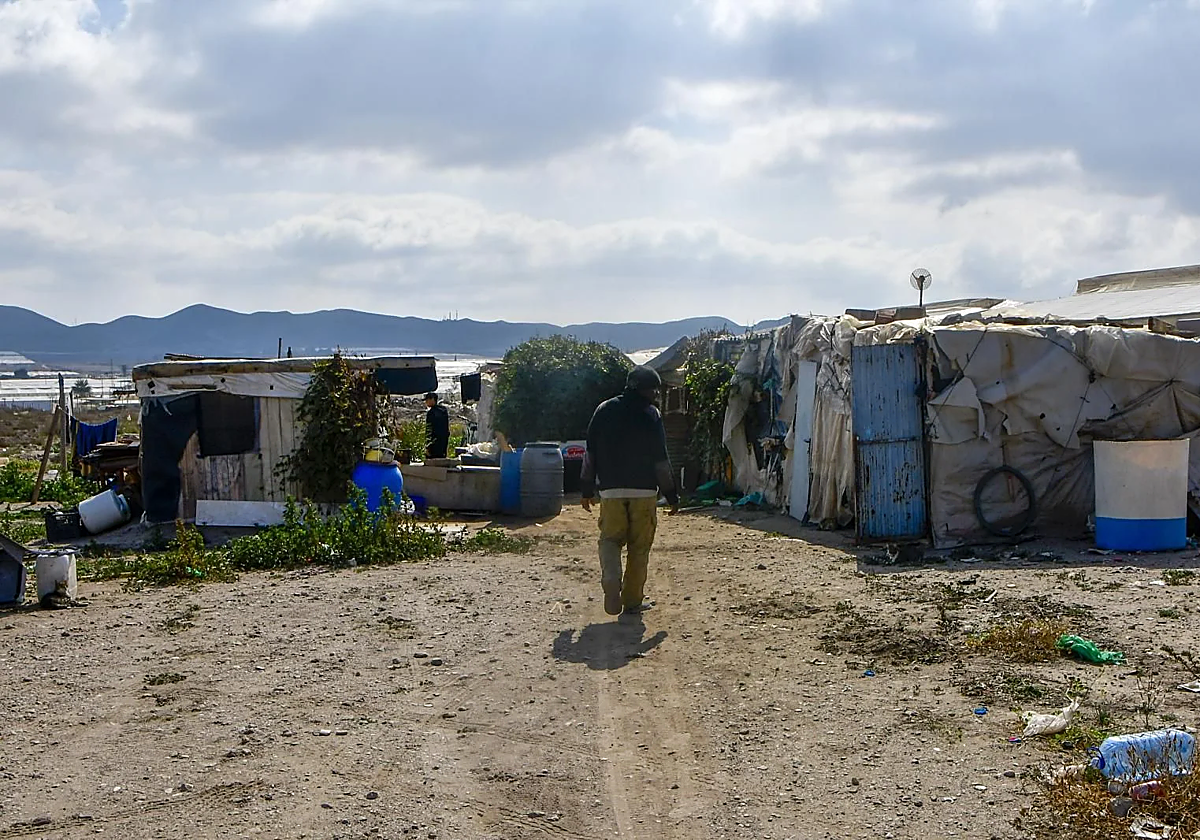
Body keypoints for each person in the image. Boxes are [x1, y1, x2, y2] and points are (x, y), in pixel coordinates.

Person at [580, 366, 679, 617]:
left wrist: (586, 489)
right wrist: (671, 494)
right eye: (653, 389)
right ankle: (632, 601)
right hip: (644, 492)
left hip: (611, 491)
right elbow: (661, 460)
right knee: (639, 547)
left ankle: (612, 579)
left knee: (610, 540)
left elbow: (589, 454)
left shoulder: (603, 410)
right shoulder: (651, 415)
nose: (655, 394)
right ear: (643, 389)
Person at [424, 392, 450, 460]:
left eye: (427, 400)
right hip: (444, 439)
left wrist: (427, 443)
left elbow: (429, 429)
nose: (426, 402)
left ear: (432, 399)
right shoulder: (443, 410)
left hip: (434, 440)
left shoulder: (431, 413)